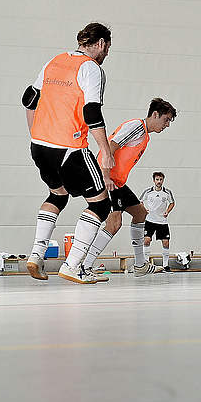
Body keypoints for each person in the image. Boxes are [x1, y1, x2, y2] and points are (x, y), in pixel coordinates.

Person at [21, 22, 115, 285]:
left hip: (40, 146)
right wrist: (105, 151)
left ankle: (36, 255)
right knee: (101, 204)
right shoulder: (92, 69)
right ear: (100, 44)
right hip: (69, 149)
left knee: (57, 195)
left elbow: (29, 99)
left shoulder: (55, 61)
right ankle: (73, 265)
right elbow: (92, 112)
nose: (107, 54)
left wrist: (35, 133)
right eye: (107, 48)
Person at [80, 98, 177, 279]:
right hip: (107, 179)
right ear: (155, 114)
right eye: (166, 119)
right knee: (114, 223)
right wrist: (105, 175)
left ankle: (140, 264)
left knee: (140, 213)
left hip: (118, 182)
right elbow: (110, 146)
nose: (167, 125)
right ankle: (84, 266)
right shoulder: (136, 126)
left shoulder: (145, 135)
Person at [140, 172, 176, 271]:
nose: (159, 181)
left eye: (160, 179)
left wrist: (167, 211)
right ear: (154, 180)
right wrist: (144, 210)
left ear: (163, 180)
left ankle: (165, 265)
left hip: (162, 221)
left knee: (166, 242)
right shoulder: (148, 191)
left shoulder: (167, 192)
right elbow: (140, 201)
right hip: (150, 220)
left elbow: (172, 203)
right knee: (146, 240)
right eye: (157, 179)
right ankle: (146, 264)